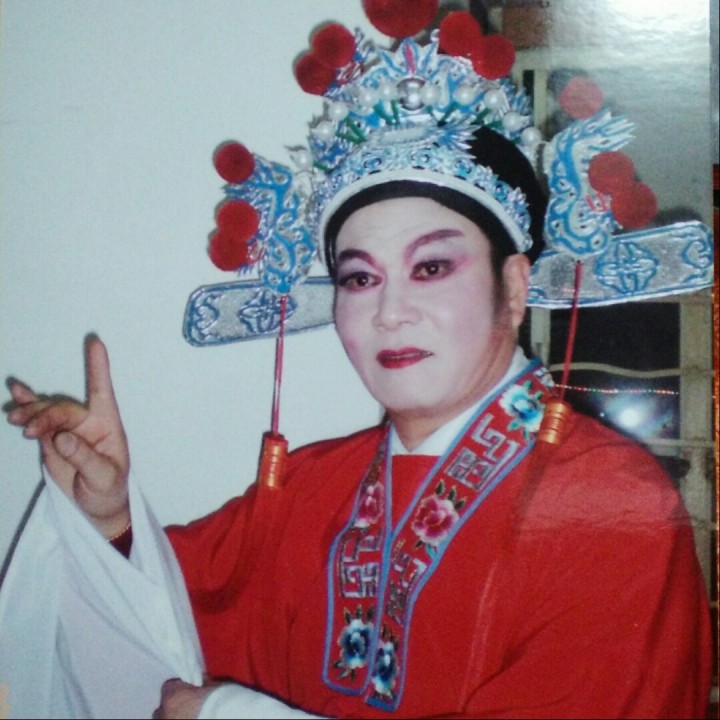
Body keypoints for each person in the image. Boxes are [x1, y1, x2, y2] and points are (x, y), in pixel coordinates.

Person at [1, 1, 714, 718]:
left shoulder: (613, 505)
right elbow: (164, 622)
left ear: (514, 287)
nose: (389, 311)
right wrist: (109, 517)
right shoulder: (309, 490)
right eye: (360, 278)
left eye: (431, 268)